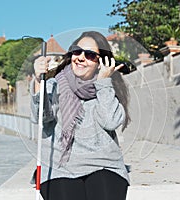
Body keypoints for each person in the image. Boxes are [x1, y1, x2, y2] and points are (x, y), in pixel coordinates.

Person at [30, 31, 130, 200]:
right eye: (77, 51)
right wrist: (39, 81)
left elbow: (110, 122)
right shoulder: (53, 85)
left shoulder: (107, 87)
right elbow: (42, 116)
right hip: (60, 167)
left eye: (90, 55)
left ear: (101, 62)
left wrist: (103, 83)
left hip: (104, 164)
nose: (81, 57)